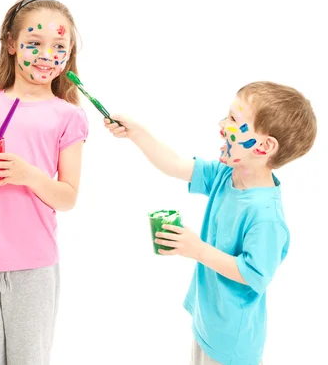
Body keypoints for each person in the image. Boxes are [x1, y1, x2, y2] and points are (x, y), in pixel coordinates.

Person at [105, 81, 316, 364]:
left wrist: (196, 249)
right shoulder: (225, 175)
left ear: (264, 146)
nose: (221, 125)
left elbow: (253, 274)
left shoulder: (265, 216)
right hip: (208, 322)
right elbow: (175, 164)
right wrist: (136, 133)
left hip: (233, 343)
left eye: (233, 119)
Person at [0, 0, 89, 365]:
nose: (46, 54)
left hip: (33, 266)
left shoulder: (67, 116)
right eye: (34, 43)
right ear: (11, 44)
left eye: (59, 45)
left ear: (69, 54)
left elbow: (67, 197)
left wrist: (27, 174)